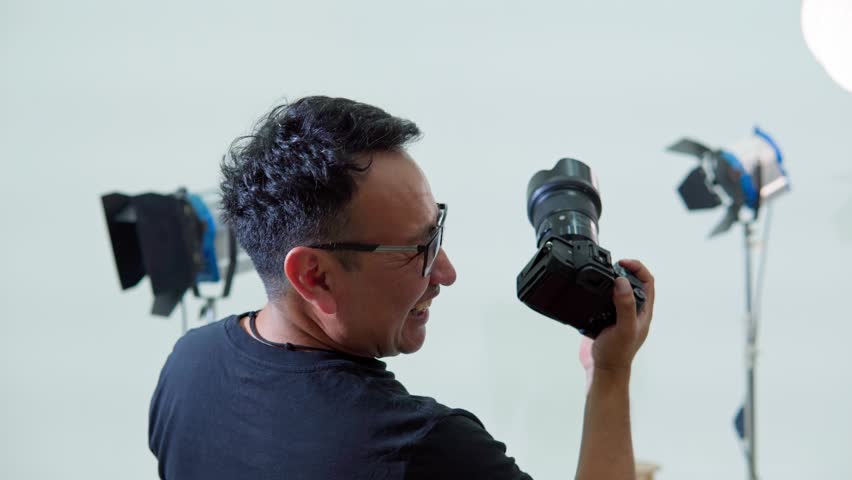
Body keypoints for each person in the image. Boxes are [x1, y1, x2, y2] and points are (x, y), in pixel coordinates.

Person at [148, 96, 655, 479]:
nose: (446, 273)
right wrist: (610, 372)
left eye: (438, 231)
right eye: (420, 249)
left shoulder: (188, 367)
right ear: (314, 276)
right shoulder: (421, 450)